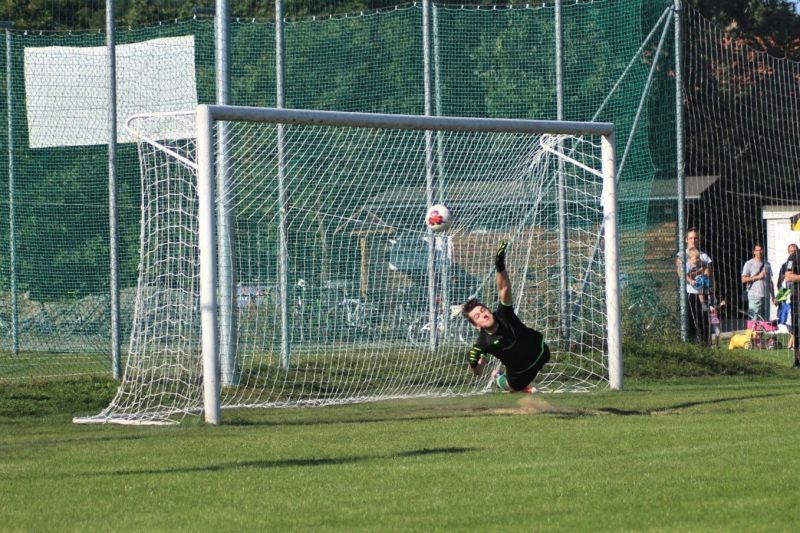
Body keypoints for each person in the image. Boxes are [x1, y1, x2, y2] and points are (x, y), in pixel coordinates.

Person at [461, 240, 551, 393]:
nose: (483, 315)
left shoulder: (504, 314)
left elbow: (504, 288)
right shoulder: (482, 343)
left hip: (541, 351)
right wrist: (473, 362)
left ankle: (522, 386)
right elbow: (478, 372)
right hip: (519, 373)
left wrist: (500, 265)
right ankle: (497, 377)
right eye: (477, 316)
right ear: (476, 325)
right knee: (512, 387)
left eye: (483, 310)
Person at [676, 228, 713, 346]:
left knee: (704, 318)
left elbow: (708, 273)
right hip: (690, 292)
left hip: (703, 291)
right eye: (691, 238)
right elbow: (680, 272)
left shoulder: (704, 256)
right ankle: (691, 343)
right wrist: (697, 273)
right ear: (686, 240)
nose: (693, 240)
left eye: (695, 238)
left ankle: (705, 343)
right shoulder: (682, 255)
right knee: (691, 319)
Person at [740, 243, 773, 321]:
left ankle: (762, 334)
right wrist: (758, 277)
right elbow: (743, 279)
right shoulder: (749, 263)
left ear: (763, 251)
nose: (759, 252)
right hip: (754, 296)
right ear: (754, 252)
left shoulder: (767, 264)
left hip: (766, 297)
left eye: (761, 250)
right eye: (757, 250)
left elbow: (770, 281)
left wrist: (773, 296)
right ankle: (753, 333)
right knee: (754, 321)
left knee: (765, 322)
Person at [782, 247, 800, 368]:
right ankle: (797, 361)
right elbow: (788, 277)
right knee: (797, 330)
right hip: (797, 298)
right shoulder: (793, 258)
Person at [777, 244, 797, 348]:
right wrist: (779, 298)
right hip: (787, 296)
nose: (793, 253)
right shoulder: (785, 265)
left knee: (794, 320)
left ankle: (792, 342)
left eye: (794, 251)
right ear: (788, 252)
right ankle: (793, 340)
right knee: (785, 320)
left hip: (796, 296)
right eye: (791, 251)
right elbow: (780, 282)